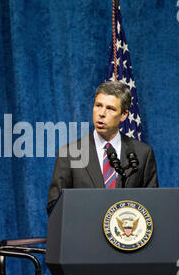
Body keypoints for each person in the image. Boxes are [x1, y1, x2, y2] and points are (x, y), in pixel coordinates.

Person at [46, 81, 158, 214]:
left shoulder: (142, 153)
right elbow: (54, 207)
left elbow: (152, 205)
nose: (102, 113)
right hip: (84, 232)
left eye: (110, 108)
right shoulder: (70, 154)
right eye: (98, 105)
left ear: (124, 115)